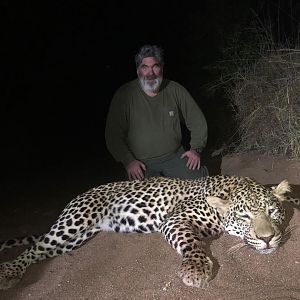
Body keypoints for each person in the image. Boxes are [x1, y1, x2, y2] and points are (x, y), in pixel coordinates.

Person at [105, 44, 208, 181]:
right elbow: (113, 135)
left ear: (162, 68)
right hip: (141, 163)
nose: (150, 73)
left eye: (155, 66)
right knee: (141, 201)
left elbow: (197, 121)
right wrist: (128, 161)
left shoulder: (175, 89)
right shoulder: (124, 95)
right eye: (145, 67)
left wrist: (196, 149)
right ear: (138, 71)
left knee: (200, 184)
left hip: (175, 156)